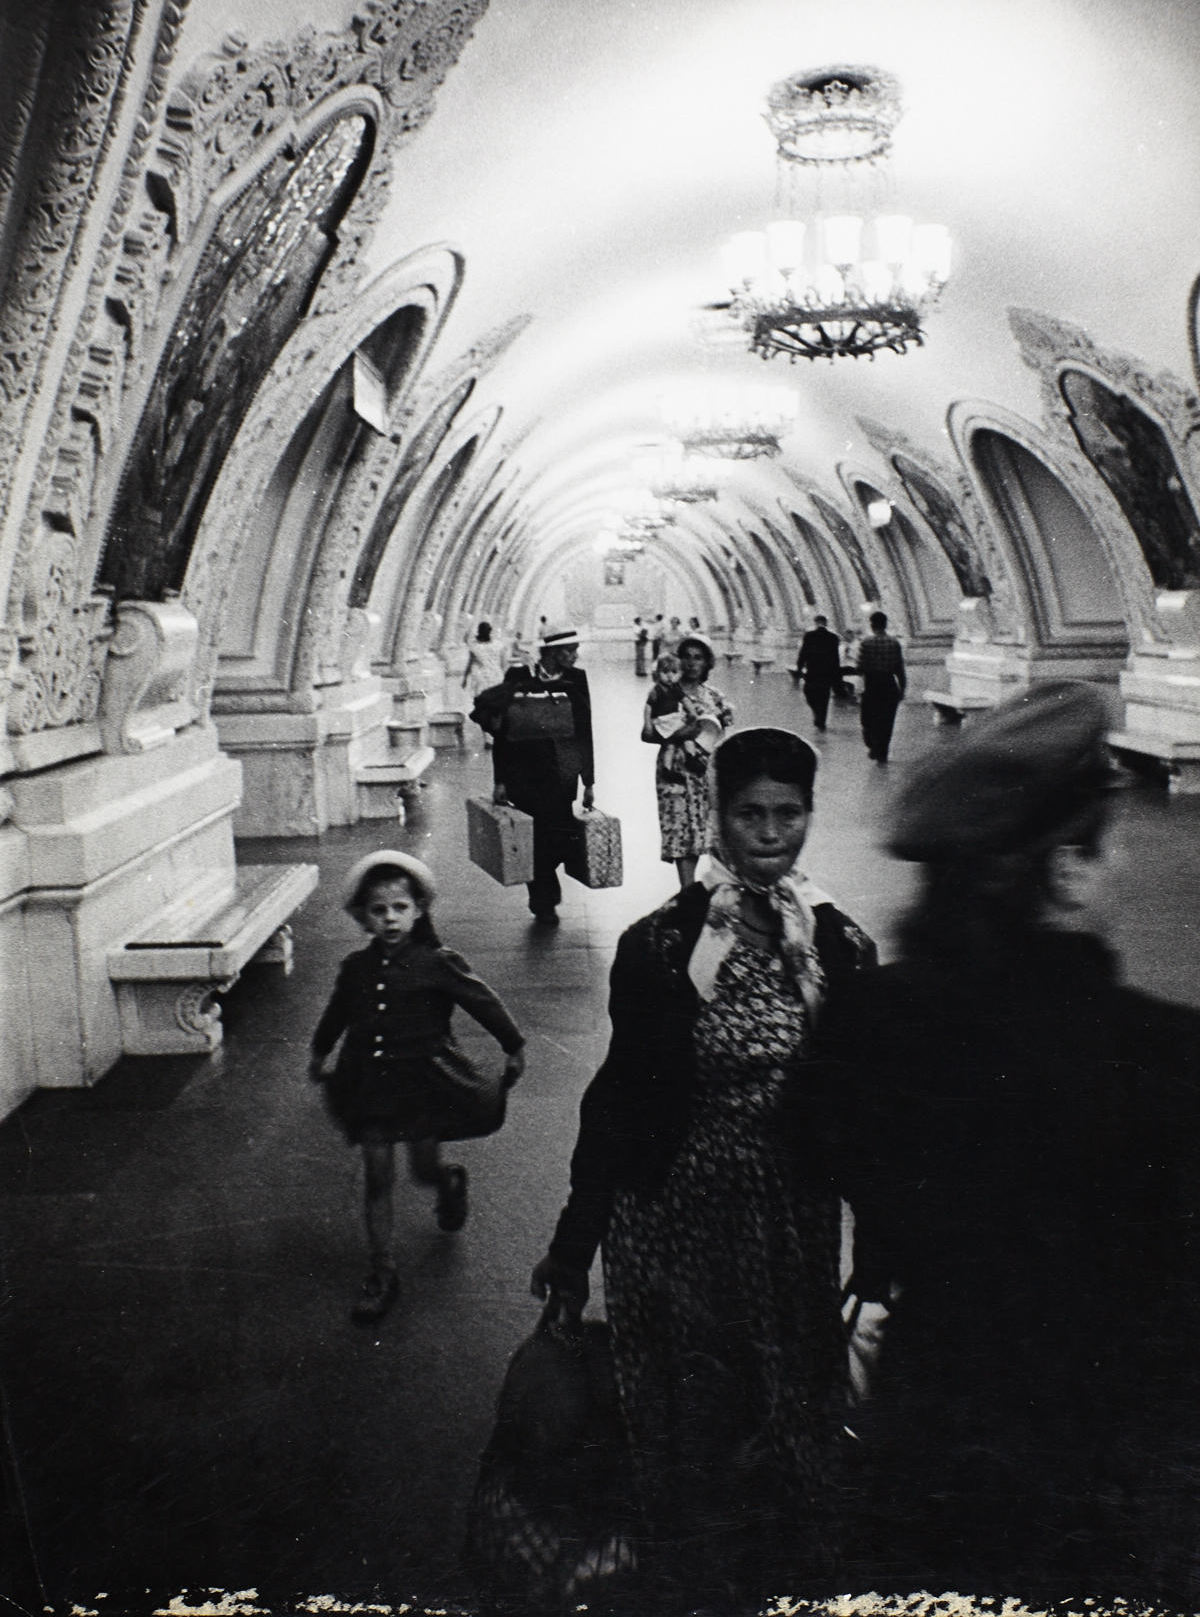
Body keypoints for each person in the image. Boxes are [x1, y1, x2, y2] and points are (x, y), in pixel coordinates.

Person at [811, 682, 1200, 1604]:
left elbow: (831, 1157)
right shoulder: (1160, 1059)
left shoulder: (866, 1023)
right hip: (1105, 1477)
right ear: (1065, 870)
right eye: (1104, 845)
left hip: (929, 1441)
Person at [531, 728, 877, 1613]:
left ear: (809, 814)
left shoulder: (839, 947)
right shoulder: (661, 945)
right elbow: (617, 1100)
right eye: (750, 814)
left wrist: (878, 1248)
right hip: (673, 1217)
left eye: (788, 814)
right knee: (693, 1413)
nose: (770, 833)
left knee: (791, 1399)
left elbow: (864, 1107)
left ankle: (784, 1579)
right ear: (717, 816)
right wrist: (573, 1248)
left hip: (788, 1220)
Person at [308, 850, 526, 1324]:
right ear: (362, 917)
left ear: (419, 909)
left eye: (399, 908)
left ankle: (448, 1182)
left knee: (423, 1169)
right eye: (378, 910)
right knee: (378, 1175)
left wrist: (512, 1044)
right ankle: (382, 1270)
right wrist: (320, 1050)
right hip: (370, 1084)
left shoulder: (437, 963)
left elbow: (481, 1000)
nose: (389, 918)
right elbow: (337, 1012)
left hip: (422, 1084)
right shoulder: (355, 968)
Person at [490, 626, 595, 926]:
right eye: (569, 651)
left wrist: (589, 780)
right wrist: (499, 779)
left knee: (559, 835)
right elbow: (502, 731)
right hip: (523, 773)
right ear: (552, 652)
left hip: (563, 773)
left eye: (575, 650)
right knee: (534, 837)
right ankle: (543, 899)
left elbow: (585, 730)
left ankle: (545, 886)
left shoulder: (576, 679)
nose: (574, 656)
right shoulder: (518, 677)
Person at [641, 632, 733, 887]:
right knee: (681, 828)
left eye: (698, 658)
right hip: (674, 770)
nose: (692, 663)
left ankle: (720, 885)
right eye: (687, 657)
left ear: (707, 663)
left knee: (709, 827)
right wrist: (683, 733)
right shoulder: (665, 693)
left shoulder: (715, 697)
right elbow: (646, 734)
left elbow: (722, 736)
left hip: (705, 769)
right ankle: (687, 891)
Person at [850, 610, 905, 761]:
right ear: (885, 624)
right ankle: (882, 752)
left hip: (871, 685)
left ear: (872, 625)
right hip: (889, 684)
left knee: (868, 719)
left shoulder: (865, 643)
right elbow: (899, 668)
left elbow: (859, 668)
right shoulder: (894, 643)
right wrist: (902, 688)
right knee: (887, 720)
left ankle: (873, 745)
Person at [794, 614, 843, 733]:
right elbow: (835, 658)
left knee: (809, 693)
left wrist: (799, 669)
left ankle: (817, 714)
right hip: (827, 672)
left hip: (812, 671)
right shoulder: (833, 637)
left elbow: (803, 654)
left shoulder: (809, 635)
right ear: (826, 623)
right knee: (824, 696)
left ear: (815, 623)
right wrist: (836, 675)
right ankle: (821, 717)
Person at [461, 620, 505, 696]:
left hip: (480, 678)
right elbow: (502, 663)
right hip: (495, 676)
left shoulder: (475, 646)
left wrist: (465, 678)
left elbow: (470, 663)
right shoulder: (497, 645)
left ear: (479, 631)